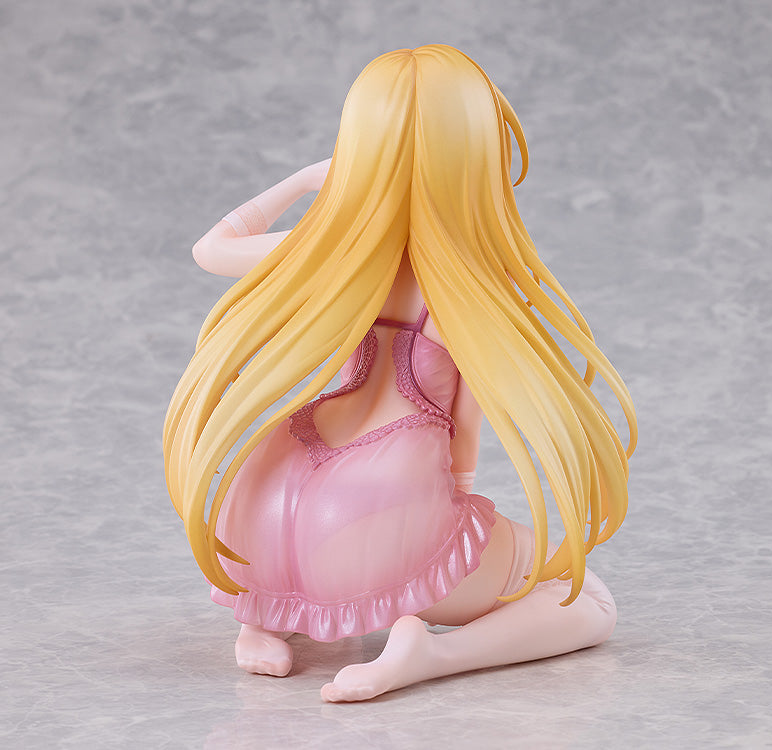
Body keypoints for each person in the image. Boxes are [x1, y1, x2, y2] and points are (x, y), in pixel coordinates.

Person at [163, 44, 637, 703]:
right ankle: (429, 655)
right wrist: (455, 503)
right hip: (380, 510)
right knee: (586, 599)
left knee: (318, 551)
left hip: (267, 500)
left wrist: (308, 181)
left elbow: (211, 248)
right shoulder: (472, 280)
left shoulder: (328, 253)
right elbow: (465, 424)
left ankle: (262, 620)